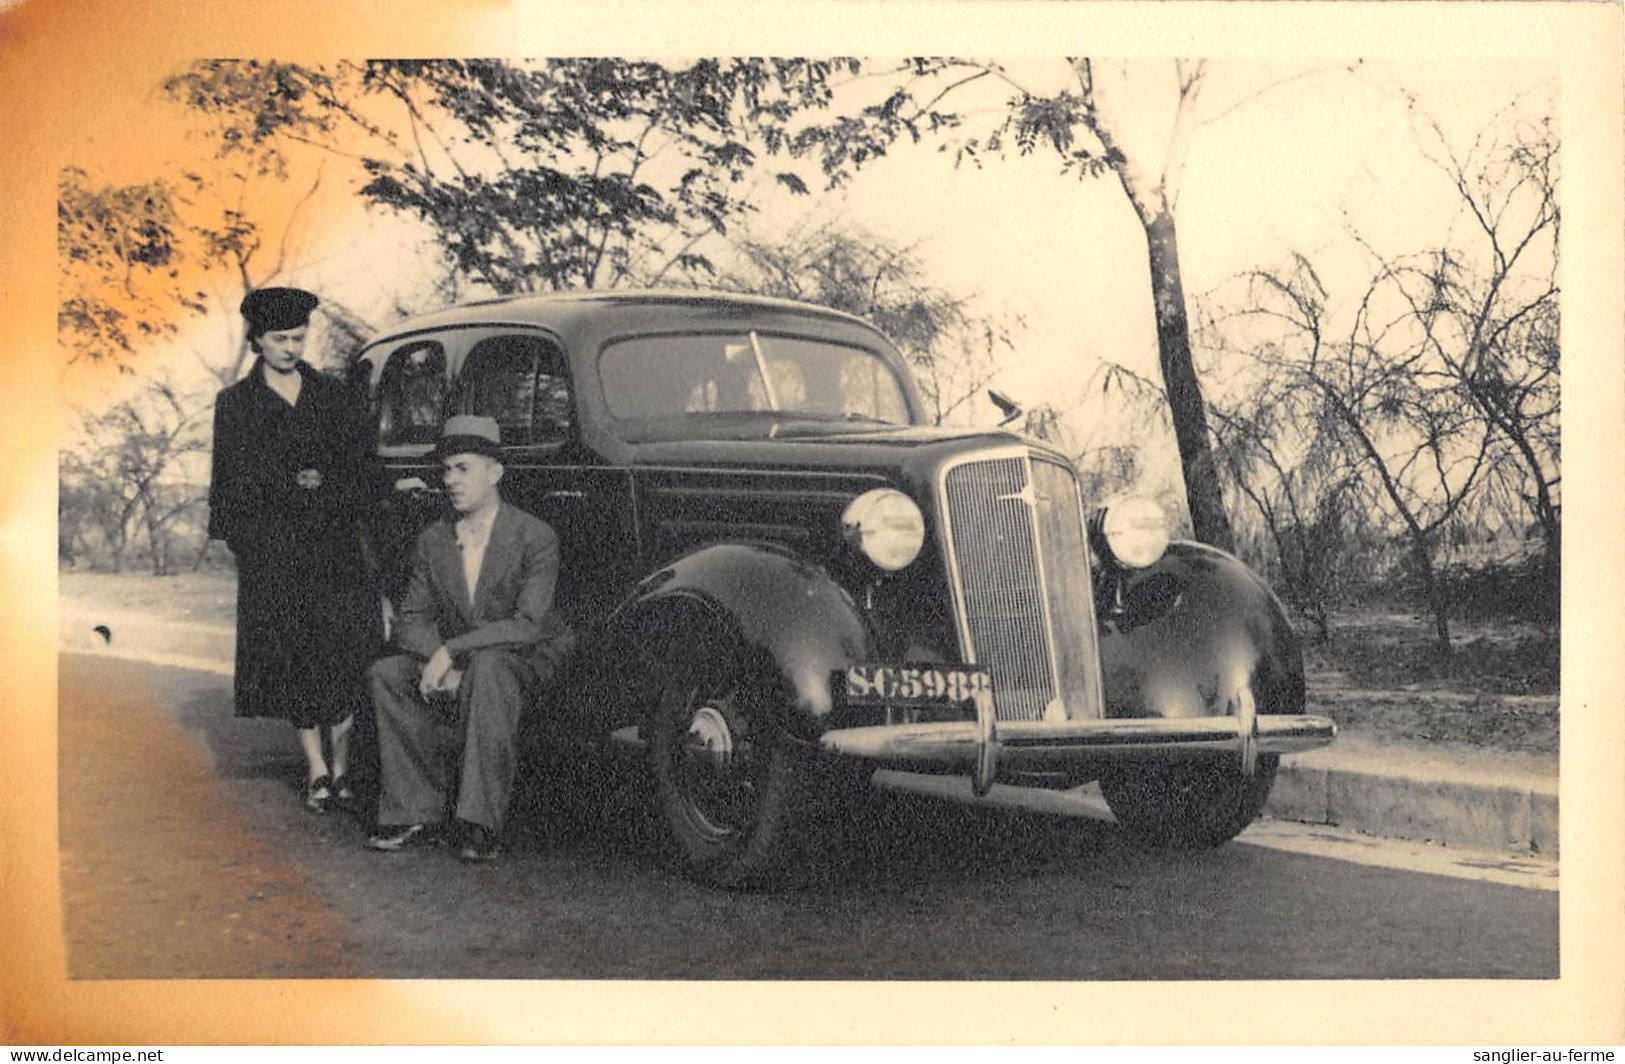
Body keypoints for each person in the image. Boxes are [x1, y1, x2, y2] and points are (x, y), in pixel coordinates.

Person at [365, 415, 574, 862]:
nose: (450, 481)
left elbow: (528, 625)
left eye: (463, 469)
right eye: (445, 471)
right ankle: (414, 809)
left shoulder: (535, 536)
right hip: (465, 658)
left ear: (494, 472)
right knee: (388, 673)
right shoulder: (434, 539)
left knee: (492, 667)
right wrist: (440, 658)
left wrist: (451, 652)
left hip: (527, 656)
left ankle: (479, 821)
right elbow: (410, 620)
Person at [208, 286, 381, 815]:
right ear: (256, 339)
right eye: (280, 338)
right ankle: (318, 771)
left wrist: (324, 485)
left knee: (344, 656)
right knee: (298, 663)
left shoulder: (333, 397)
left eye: (299, 336)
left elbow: (362, 474)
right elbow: (228, 489)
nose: (291, 347)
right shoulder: (235, 405)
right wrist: (257, 545)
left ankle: (347, 768)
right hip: (275, 557)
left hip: (335, 553)